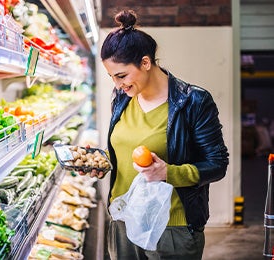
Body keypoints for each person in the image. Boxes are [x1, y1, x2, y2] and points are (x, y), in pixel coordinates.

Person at [82, 10, 229, 260]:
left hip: (171, 227)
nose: (117, 84)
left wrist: (168, 173)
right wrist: (105, 162)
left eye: (122, 75)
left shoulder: (193, 101)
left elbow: (217, 164)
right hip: (123, 219)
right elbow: (128, 148)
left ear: (146, 63)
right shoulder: (122, 98)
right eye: (111, 77)